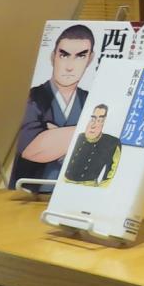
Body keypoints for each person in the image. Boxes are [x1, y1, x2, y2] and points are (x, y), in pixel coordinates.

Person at [11, 23, 95, 188]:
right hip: (31, 192)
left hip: (79, 191)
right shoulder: (32, 98)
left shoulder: (91, 100)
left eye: (80, 56)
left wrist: (56, 137)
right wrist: (90, 132)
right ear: (53, 57)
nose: (70, 67)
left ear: (90, 59)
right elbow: (32, 149)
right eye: (64, 55)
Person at [62, 103, 121, 185]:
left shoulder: (111, 142)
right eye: (93, 119)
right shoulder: (80, 136)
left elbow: (111, 170)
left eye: (100, 120)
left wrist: (101, 188)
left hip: (88, 185)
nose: (93, 125)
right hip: (65, 182)